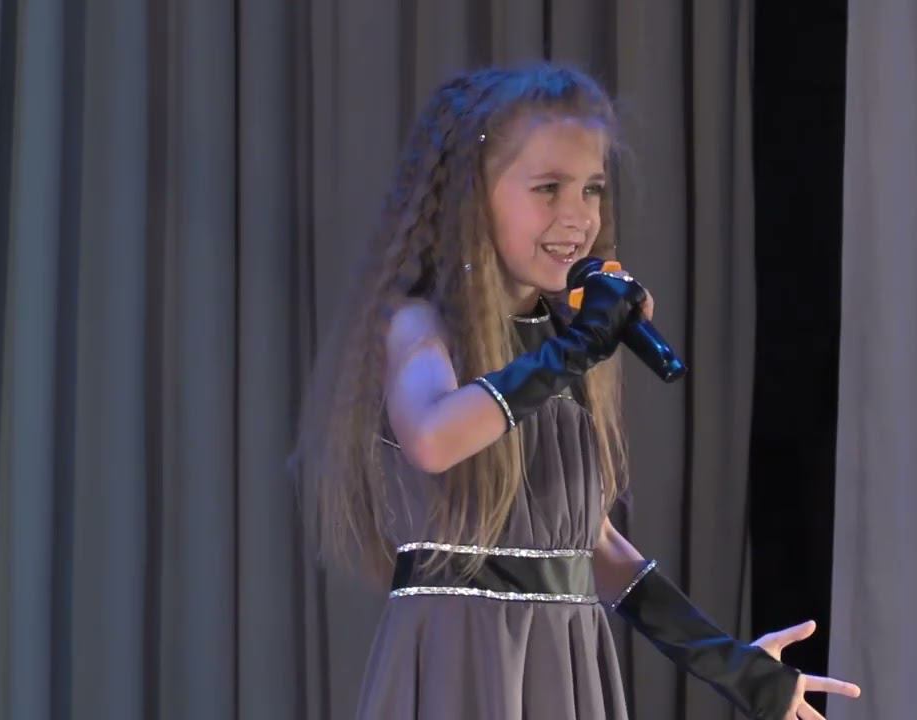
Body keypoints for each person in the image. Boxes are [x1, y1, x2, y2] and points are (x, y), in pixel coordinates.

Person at [291, 63, 860, 720]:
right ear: (470, 197)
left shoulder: (562, 346)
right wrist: (579, 347)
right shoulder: (421, 326)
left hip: (564, 662)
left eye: (591, 189)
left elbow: (592, 546)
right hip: (462, 661)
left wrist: (729, 663)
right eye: (548, 188)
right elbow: (433, 437)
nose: (578, 216)